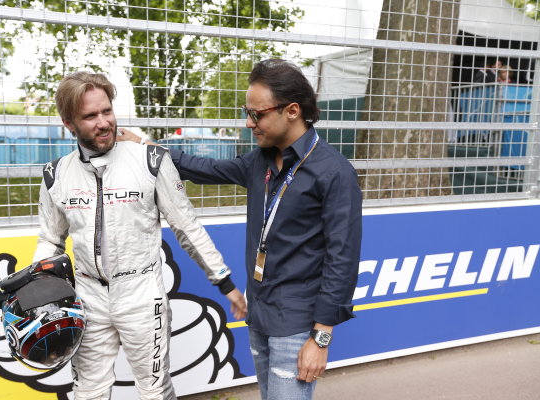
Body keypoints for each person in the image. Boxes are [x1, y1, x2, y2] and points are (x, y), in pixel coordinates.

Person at [120, 59, 362, 400]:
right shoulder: (259, 161)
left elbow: (343, 260)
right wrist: (145, 147)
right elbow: (204, 167)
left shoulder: (334, 172)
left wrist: (320, 338)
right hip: (259, 314)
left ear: (292, 110)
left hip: (296, 325)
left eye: (257, 114)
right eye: (246, 112)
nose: (248, 123)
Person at [33, 71, 247, 400]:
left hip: (142, 296)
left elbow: (186, 226)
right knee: (87, 392)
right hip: (88, 297)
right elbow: (50, 239)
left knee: (154, 392)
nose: (104, 122)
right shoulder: (55, 175)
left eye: (107, 111)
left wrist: (225, 282)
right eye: (90, 116)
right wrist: (43, 292)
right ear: (69, 124)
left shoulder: (151, 160)